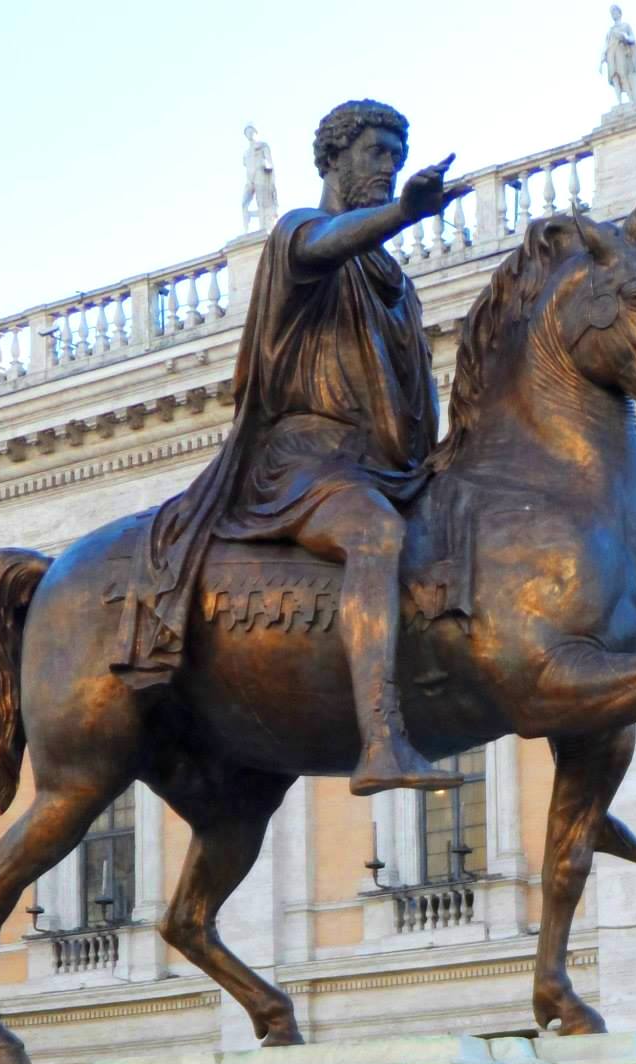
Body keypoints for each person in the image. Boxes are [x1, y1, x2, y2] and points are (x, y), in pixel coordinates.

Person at [113, 100, 469, 796]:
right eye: (375, 152)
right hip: (307, 462)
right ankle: (380, 738)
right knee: (373, 535)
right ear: (332, 160)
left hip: (380, 464)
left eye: (396, 154)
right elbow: (324, 245)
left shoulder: (393, 281)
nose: (389, 166)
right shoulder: (299, 236)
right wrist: (405, 214)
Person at [601, 5, 636, 107]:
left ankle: (631, 100)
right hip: (612, 55)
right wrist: (602, 58)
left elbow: (632, 38)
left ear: (620, 13)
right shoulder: (610, 30)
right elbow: (606, 45)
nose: (613, 14)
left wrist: (625, 37)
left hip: (622, 53)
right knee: (614, 76)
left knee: (623, 74)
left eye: (615, 12)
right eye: (612, 13)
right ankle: (619, 102)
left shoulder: (626, 26)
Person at [241, 124, 279, 233]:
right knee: (244, 203)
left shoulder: (263, 145)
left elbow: (269, 161)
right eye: (247, 132)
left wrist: (266, 166)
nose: (249, 134)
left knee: (261, 201)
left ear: (256, 132)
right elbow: (246, 165)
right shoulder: (246, 153)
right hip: (250, 179)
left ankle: (264, 227)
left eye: (251, 131)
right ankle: (246, 230)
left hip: (260, 173)